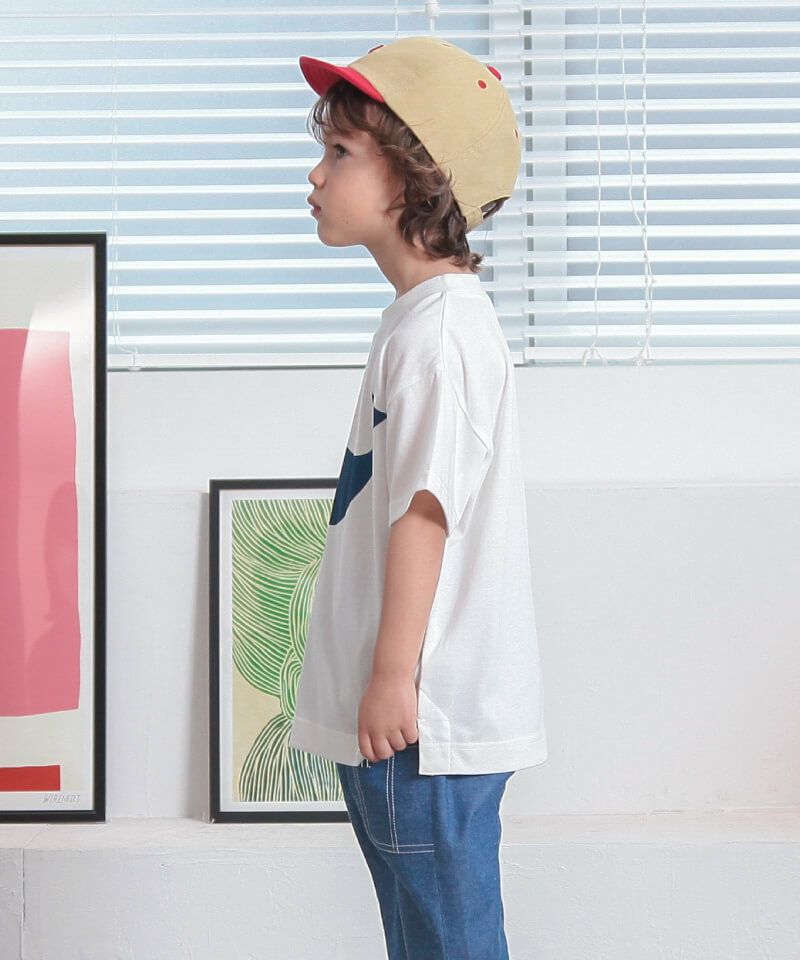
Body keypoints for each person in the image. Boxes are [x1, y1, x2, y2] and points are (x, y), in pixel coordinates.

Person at [287, 35, 548, 960]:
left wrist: (394, 675)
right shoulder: (420, 324)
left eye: (340, 152)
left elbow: (425, 512)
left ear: (414, 174)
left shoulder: (438, 337)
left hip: (420, 729)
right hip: (409, 730)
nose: (316, 174)